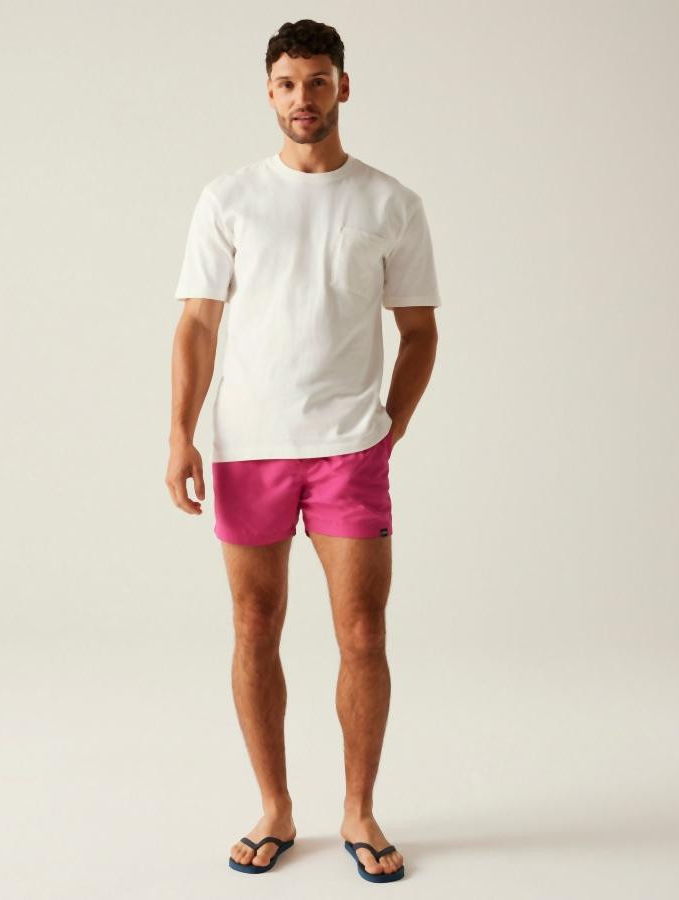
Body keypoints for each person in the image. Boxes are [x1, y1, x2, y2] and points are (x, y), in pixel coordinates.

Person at [165, 19, 441, 884]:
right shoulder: (230, 198)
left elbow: (421, 331)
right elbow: (197, 323)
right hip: (247, 446)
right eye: (287, 84)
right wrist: (179, 433)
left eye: (318, 81)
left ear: (343, 87)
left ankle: (359, 809)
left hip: (348, 449)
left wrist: (389, 427)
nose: (302, 98)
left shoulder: (390, 203)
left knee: (363, 631)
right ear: (269, 92)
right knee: (255, 625)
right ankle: (276, 807)